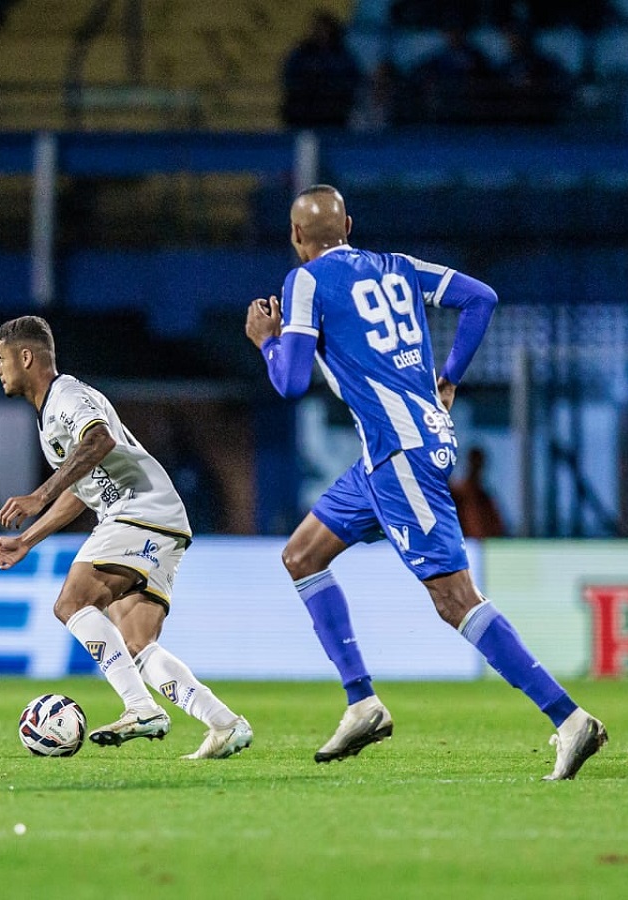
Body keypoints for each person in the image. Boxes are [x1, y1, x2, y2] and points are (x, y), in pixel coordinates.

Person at [243, 185, 606, 780]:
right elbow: (480, 298)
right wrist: (449, 376)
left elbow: (288, 383)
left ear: (296, 239)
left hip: (400, 455)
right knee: (302, 554)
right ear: (350, 225)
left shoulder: (303, 282)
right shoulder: (399, 267)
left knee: (453, 599)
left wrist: (267, 341)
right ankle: (362, 702)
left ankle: (569, 719)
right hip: (394, 449)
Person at [0, 316, 252, 759]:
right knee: (137, 642)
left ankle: (141, 707)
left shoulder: (68, 396)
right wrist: (28, 539)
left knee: (71, 603)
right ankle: (224, 723)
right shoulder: (51, 416)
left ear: (26, 357)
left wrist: (39, 494)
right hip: (157, 519)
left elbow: (98, 440)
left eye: (1, 359)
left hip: (139, 510)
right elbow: (83, 492)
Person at [281, 11, 361, 129]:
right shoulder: (301, 53)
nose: (320, 33)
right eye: (317, 29)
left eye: (324, 29)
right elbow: (289, 77)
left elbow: (351, 80)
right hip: (304, 109)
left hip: (333, 109)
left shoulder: (342, 55)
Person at [450, 446, 507, 538]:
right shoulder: (457, 494)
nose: (476, 468)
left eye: (479, 464)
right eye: (473, 463)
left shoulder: (484, 498)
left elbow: (498, 527)